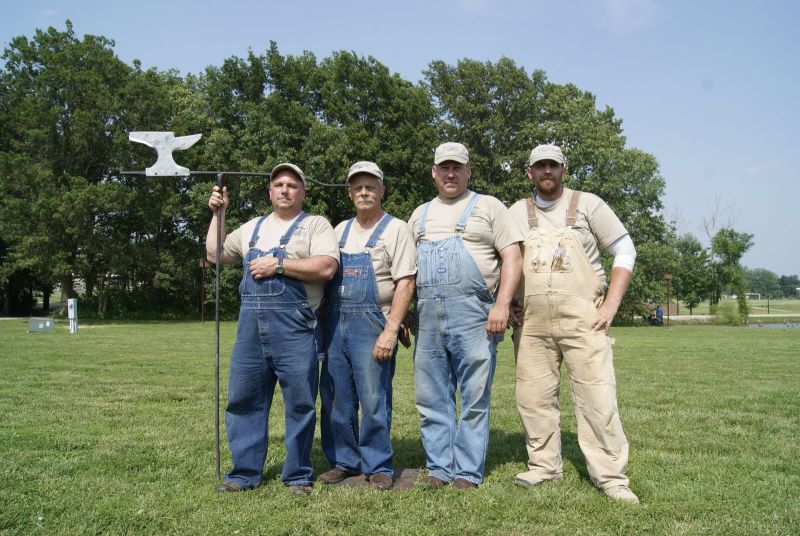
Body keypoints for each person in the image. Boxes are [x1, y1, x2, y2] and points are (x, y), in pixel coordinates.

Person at [508, 144, 640, 504]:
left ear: (564, 169)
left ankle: (611, 476)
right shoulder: (517, 212)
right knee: (532, 398)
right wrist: (505, 304)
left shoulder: (588, 205)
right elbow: (502, 260)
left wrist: (610, 305)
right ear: (529, 172)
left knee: (597, 397)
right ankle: (544, 465)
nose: (546, 171)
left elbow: (625, 249)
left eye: (553, 165)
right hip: (531, 322)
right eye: (539, 166)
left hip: (585, 318)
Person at [206, 162, 339, 496]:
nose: (284, 189)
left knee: (300, 403)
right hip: (250, 331)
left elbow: (326, 267)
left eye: (292, 185)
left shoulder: (315, 225)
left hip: (295, 329)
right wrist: (218, 215)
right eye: (278, 184)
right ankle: (243, 473)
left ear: (302, 192)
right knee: (243, 400)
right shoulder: (252, 228)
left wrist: (279, 265)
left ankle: (297, 476)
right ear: (269, 192)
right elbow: (215, 254)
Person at [408, 142, 523, 489]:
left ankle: (467, 472)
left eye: (457, 167)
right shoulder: (420, 214)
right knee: (431, 397)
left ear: (468, 171)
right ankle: (439, 468)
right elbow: (406, 270)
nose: (451, 173)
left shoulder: (488, 206)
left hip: (475, 315)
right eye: (444, 167)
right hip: (428, 316)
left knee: (474, 398)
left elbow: (512, 257)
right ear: (434, 171)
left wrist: (502, 304)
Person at [318, 161, 417, 491]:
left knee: (374, 398)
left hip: (373, 325)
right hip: (336, 323)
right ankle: (343, 461)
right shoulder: (338, 231)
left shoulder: (396, 229)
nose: (364, 192)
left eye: (370, 186)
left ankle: (378, 464)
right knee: (336, 397)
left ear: (381, 191)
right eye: (357, 187)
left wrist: (391, 330)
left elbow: (405, 283)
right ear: (349, 193)